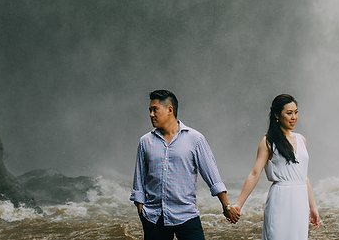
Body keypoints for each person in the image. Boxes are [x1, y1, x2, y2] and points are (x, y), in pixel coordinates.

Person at [131, 89, 239, 240]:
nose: (151, 115)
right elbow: (139, 179)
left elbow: (212, 175)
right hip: (154, 217)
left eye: (155, 110)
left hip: (186, 215)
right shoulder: (145, 141)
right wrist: (141, 208)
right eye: (150, 110)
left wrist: (226, 206)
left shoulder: (195, 139)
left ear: (170, 110)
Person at [231, 94, 321, 240]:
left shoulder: (301, 139)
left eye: (296, 112)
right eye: (289, 113)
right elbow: (255, 173)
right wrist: (238, 205)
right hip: (280, 199)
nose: (294, 117)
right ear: (277, 115)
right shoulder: (268, 142)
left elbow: (303, 176)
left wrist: (313, 207)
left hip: (300, 200)